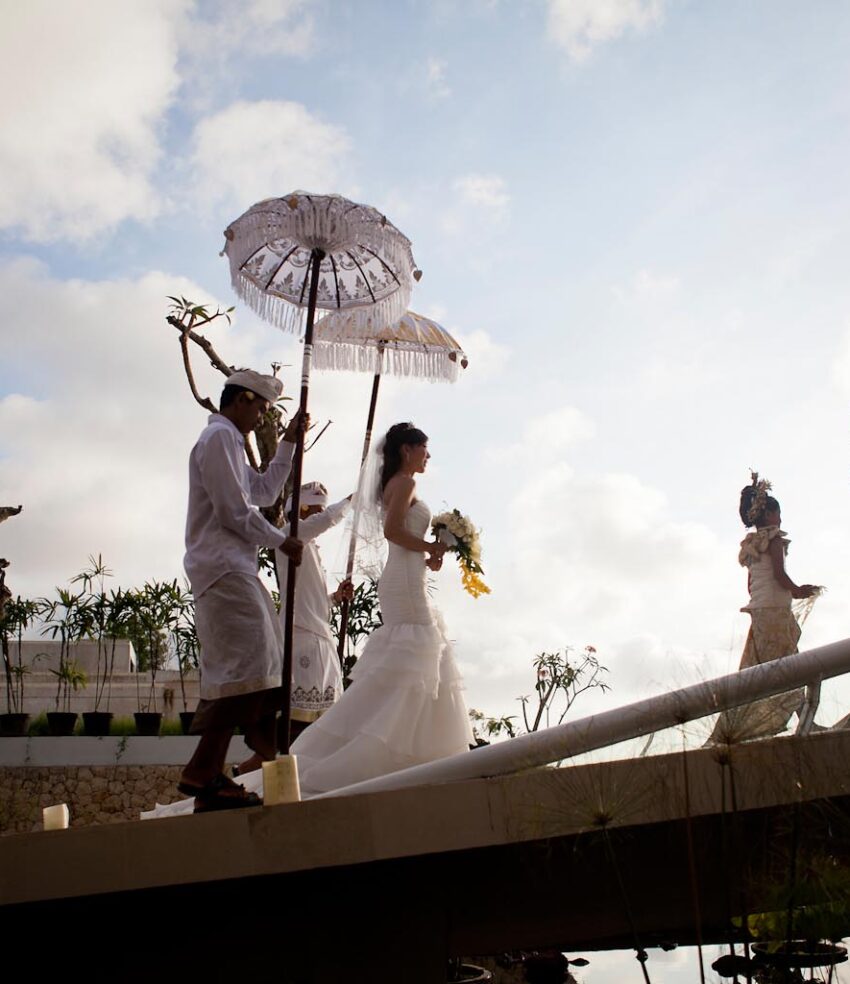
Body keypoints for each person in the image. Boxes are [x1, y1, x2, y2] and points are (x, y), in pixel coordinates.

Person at [284, 422, 474, 795]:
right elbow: (391, 532)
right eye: (424, 448)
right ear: (407, 450)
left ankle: (408, 747)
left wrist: (429, 552)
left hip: (404, 577)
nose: (428, 456)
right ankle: (393, 748)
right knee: (418, 659)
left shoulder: (395, 485)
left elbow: (404, 538)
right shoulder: (405, 483)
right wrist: (431, 549)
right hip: (403, 584)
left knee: (416, 662)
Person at [177, 369, 304, 812]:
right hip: (222, 568)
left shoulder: (229, 441)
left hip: (235, 568)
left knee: (263, 660)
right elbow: (234, 511)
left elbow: (265, 491)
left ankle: (258, 747)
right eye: (263, 409)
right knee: (248, 664)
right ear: (242, 400)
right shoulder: (218, 440)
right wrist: (280, 540)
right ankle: (215, 765)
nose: (262, 417)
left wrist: (288, 442)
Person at [234, 481, 353, 775]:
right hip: (302, 635)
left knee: (322, 715)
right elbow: (324, 521)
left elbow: (310, 598)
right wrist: (353, 498)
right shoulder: (290, 536)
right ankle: (259, 764)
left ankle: (282, 766)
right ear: (302, 510)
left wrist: (336, 598)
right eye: (317, 509)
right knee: (298, 716)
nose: (321, 515)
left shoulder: (309, 547)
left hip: (319, 634)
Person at [707, 473, 819, 744]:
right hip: (775, 613)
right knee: (788, 668)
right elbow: (779, 575)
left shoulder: (751, 545)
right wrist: (798, 590)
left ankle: (802, 720)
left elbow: (750, 584)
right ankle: (806, 721)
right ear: (769, 513)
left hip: (760, 613)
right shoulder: (775, 540)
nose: (780, 519)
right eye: (777, 514)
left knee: (764, 670)